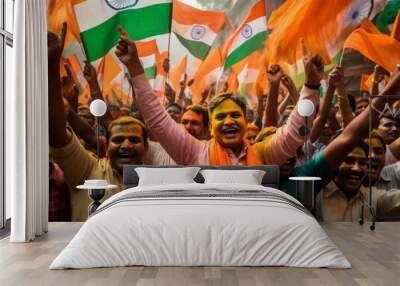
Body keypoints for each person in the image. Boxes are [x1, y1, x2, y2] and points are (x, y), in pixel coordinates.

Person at [115, 27, 321, 166]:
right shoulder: (195, 153)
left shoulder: (265, 153)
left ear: (246, 120)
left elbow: (296, 131)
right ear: (210, 128)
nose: (229, 121)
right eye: (220, 117)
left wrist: (311, 85)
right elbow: (157, 120)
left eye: (235, 115)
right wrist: (135, 67)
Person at [48, 24, 148, 221]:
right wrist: (51, 66)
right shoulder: (86, 170)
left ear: (147, 146)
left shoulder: (161, 182)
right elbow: (56, 131)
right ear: (106, 144)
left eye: (134, 140)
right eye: (118, 139)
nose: (126, 145)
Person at [316, 144, 400, 221]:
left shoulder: (372, 197)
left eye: (362, 163)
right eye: (349, 161)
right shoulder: (316, 195)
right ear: (333, 163)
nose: (357, 168)